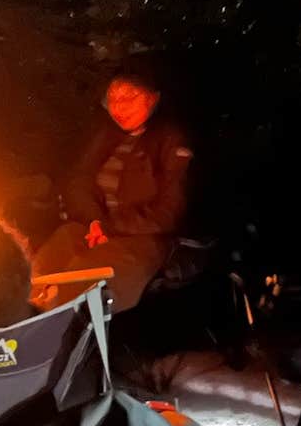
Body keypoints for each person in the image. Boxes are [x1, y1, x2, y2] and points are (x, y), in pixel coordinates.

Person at [33, 66, 192, 314]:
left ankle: (58, 333)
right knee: (50, 260)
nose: (119, 107)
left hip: (141, 236)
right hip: (93, 227)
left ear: (153, 98)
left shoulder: (172, 140)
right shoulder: (105, 134)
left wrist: (111, 226)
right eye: (114, 98)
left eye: (129, 97)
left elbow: (170, 210)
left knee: (85, 276)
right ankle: (19, 317)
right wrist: (94, 220)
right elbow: (79, 180)